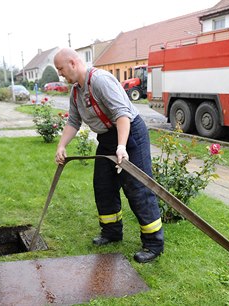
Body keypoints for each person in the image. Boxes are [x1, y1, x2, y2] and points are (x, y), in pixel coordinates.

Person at [54, 48, 164, 263]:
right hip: (106, 139)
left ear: (73, 63)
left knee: (137, 188)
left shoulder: (101, 81)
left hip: (130, 135)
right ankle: (111, 233)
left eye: (60, 69)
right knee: (103, 186)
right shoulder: (76, 91)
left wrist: (122, 147)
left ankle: (153, 244)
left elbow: (122, 114)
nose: (60, 74)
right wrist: (61, 146)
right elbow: (73, 122)